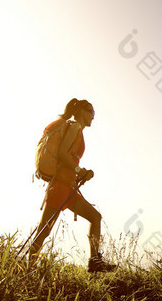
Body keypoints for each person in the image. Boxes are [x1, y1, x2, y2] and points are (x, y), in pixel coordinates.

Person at [28, 98, 116, 272]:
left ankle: (94, 262)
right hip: (59, 186)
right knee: (44, 230)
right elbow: (62, 154)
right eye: (91, 112)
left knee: (95, 217)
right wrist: (80, 170)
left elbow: (67, 156)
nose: (93, 117)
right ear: (81, 111)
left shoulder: (77, 129)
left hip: (68, 185)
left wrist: (78, 174)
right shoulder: (75, 126)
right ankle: (24, 268)